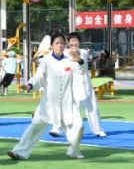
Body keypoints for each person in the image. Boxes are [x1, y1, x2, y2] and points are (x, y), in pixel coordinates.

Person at [8, 32, 84, 160]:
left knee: (79, 126)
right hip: (48, 104)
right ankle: (19, 152)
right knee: (35, 126)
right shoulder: (46, 61)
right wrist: (30, 84)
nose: (60, 46)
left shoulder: (70, 60)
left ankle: (74, 151)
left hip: (68, 104)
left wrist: (80, 61)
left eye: (62, 43)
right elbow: (39, 77)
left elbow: (81, 71)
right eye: (57, 43)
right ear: (52, 45)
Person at [64, 33, 107, 138]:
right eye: (72, 41)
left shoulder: (83, 52)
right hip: (71, 84)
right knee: (72, 109)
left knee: (92, 108)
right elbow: (64, 68)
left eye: (76, 41)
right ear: (68, 42)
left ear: (79, 42)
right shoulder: (64, 53)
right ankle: (65, 130)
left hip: (85, 83)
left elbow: (82, 68)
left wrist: (79, 60)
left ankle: (98, 130)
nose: (74, 43)